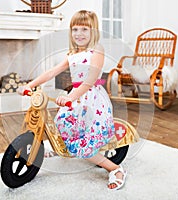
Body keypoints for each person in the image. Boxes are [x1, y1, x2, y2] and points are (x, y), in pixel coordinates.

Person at [18, 10, 127, 190]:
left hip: (91, 98)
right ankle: (66, 145)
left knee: (85, 143)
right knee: (62, 123)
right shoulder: (72, 53)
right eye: (75, 29)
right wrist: (30, 84)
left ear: (94, 31)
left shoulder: (97, 50)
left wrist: (70, 97)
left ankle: (115, 168)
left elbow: (90, 79)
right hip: (76, 96)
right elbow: (52, 71)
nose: (79, 34)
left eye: (84, 29)